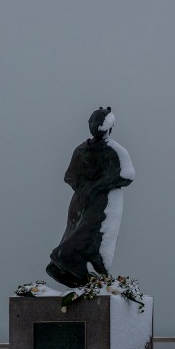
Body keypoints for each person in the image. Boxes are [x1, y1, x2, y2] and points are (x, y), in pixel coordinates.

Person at [46, 107, 135, 287]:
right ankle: (64, 261)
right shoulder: (82, 150)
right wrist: (86, 188)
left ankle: (82, 274)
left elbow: (126, 175)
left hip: (103, 202)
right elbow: (70, 176)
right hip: (84, 203)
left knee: (94, 238)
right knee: (82, 236)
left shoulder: (114, 150)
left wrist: (97, 185)